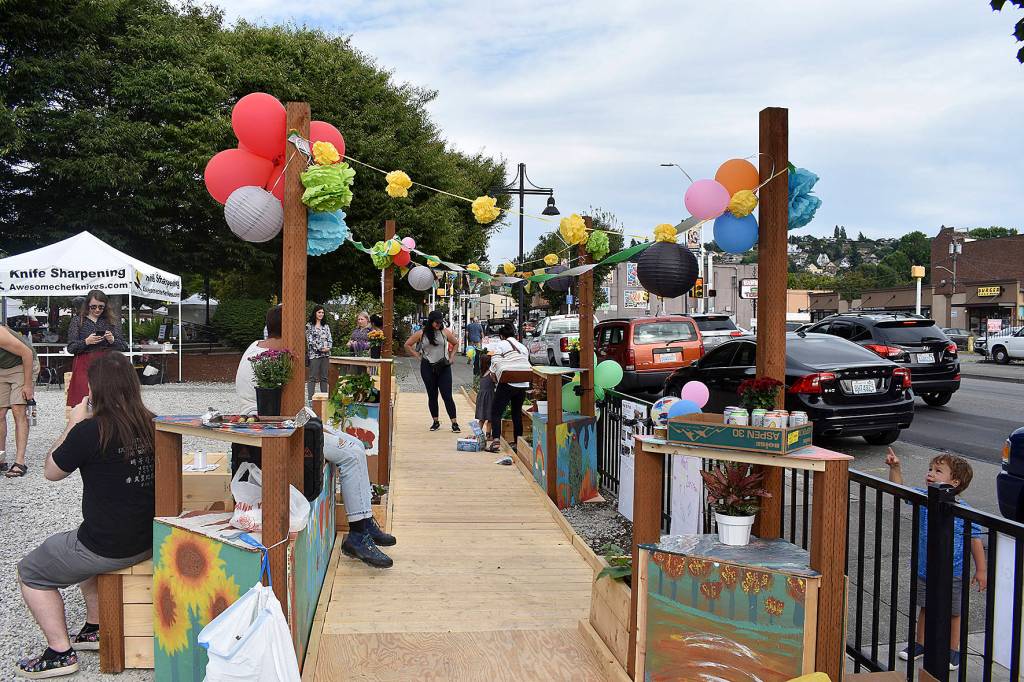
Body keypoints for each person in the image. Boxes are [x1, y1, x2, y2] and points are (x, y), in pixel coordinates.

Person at [16, 352, 154, 678]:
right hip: (148, 537)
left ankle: (60, 652)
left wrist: (73, 423)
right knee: (75, 544)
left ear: (95, 389)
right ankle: (94, 627)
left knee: (30, 571)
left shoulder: (90, 431)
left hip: (106, 545)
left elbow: (51, 471)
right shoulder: (152, 422)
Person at [235, 306, 395, 567]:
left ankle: (364, 522)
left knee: (353, 444)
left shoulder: (258, 347)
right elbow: (286, 410)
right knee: (352, 452)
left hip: (283, 426)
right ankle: (357, 533)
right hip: (277, 431)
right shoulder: (276, 355)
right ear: (290, 329)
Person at [887, 449, 987, 670]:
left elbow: (975, 541)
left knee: (953, 613)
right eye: (930, 469)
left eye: (938, 471)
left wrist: (981, 570)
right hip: (926, 568)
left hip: (954, 572)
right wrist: (895, 468)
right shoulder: (925, 498)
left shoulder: (962, 510)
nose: (930, 473)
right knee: (925, 606)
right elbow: (898, 491)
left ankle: (953, 649)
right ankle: (920, 644)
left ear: (954, 482)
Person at [65, 290, 128, 410]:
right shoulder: (78, 321)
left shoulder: (111, 321)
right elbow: (71, 348)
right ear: (87, 305)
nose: (97, 310)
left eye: (101, 307)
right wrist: (86, 342)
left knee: (108, 400)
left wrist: (112, 340)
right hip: (84, 362)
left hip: (107, 363)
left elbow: (124, 346)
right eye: (93, 307)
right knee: (83, 399)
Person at [404, 310, 460, 432]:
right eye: (436, 322)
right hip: (427, 366)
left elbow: (455, 343)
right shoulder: (422, 333)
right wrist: (417, 356)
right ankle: (435, 421)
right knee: (432, 395)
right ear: (431, 322)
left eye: (440, 322)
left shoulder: (445, 332)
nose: (438, 325)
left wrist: (452, 357)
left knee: (447, 395)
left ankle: (454, 422)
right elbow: (407, 344)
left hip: (443, 366)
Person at [486, 324, 532, 452]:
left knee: (496, 412)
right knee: (516, 413)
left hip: (508, 381)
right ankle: (518, 443)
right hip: (523, 382)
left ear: (501, 336)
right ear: (514, 335)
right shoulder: (522, 347)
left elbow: (495, 360)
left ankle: (495, 442)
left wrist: (492, 373)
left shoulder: (501, 344)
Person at [0, 324, 38, 478]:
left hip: (23, 364)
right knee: (0, 413)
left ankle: (20, 462)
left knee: (18, 409)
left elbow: (27, 353)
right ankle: (1, 458)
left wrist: (28, 385)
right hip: (2, 368)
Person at [306, 305, 333, 399]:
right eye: (319, 312)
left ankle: (324, 398)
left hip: (325, 355)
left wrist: (328, 348)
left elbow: (330, 339)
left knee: (324, 378)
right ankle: (310, 399)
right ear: (315, 313)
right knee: (312, 377)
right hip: (314, 355)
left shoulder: (326, 326)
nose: (321, 314)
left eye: (322, 312)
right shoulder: (309, 326)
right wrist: (320, 348)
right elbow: (310, 340)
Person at [474, 352, 495, 439]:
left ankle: (478, 435)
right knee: (490, 418)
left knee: (481, 418)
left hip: (481, 396)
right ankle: (488, 435)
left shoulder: (482, 372)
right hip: (490, 396)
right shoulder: (491, 373)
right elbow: (495, 381)